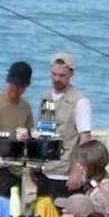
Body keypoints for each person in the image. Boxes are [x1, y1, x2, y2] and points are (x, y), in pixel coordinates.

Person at [35, 52, 92, 198]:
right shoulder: (45, 98)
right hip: (44, 172)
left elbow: (85, 139)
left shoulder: (79, 101)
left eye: (62, 75)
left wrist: (78, 170)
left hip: (65, 176)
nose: (56, 79)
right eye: (54, 74)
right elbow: (42, 132)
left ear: (71, 74)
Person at [0, 60, 35, 199]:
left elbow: (30, 135)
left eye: (20, 86)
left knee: (14, 214)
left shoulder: (26, 107)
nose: (15, 89)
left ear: (26, 86)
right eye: (13, 84)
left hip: (16, 168)